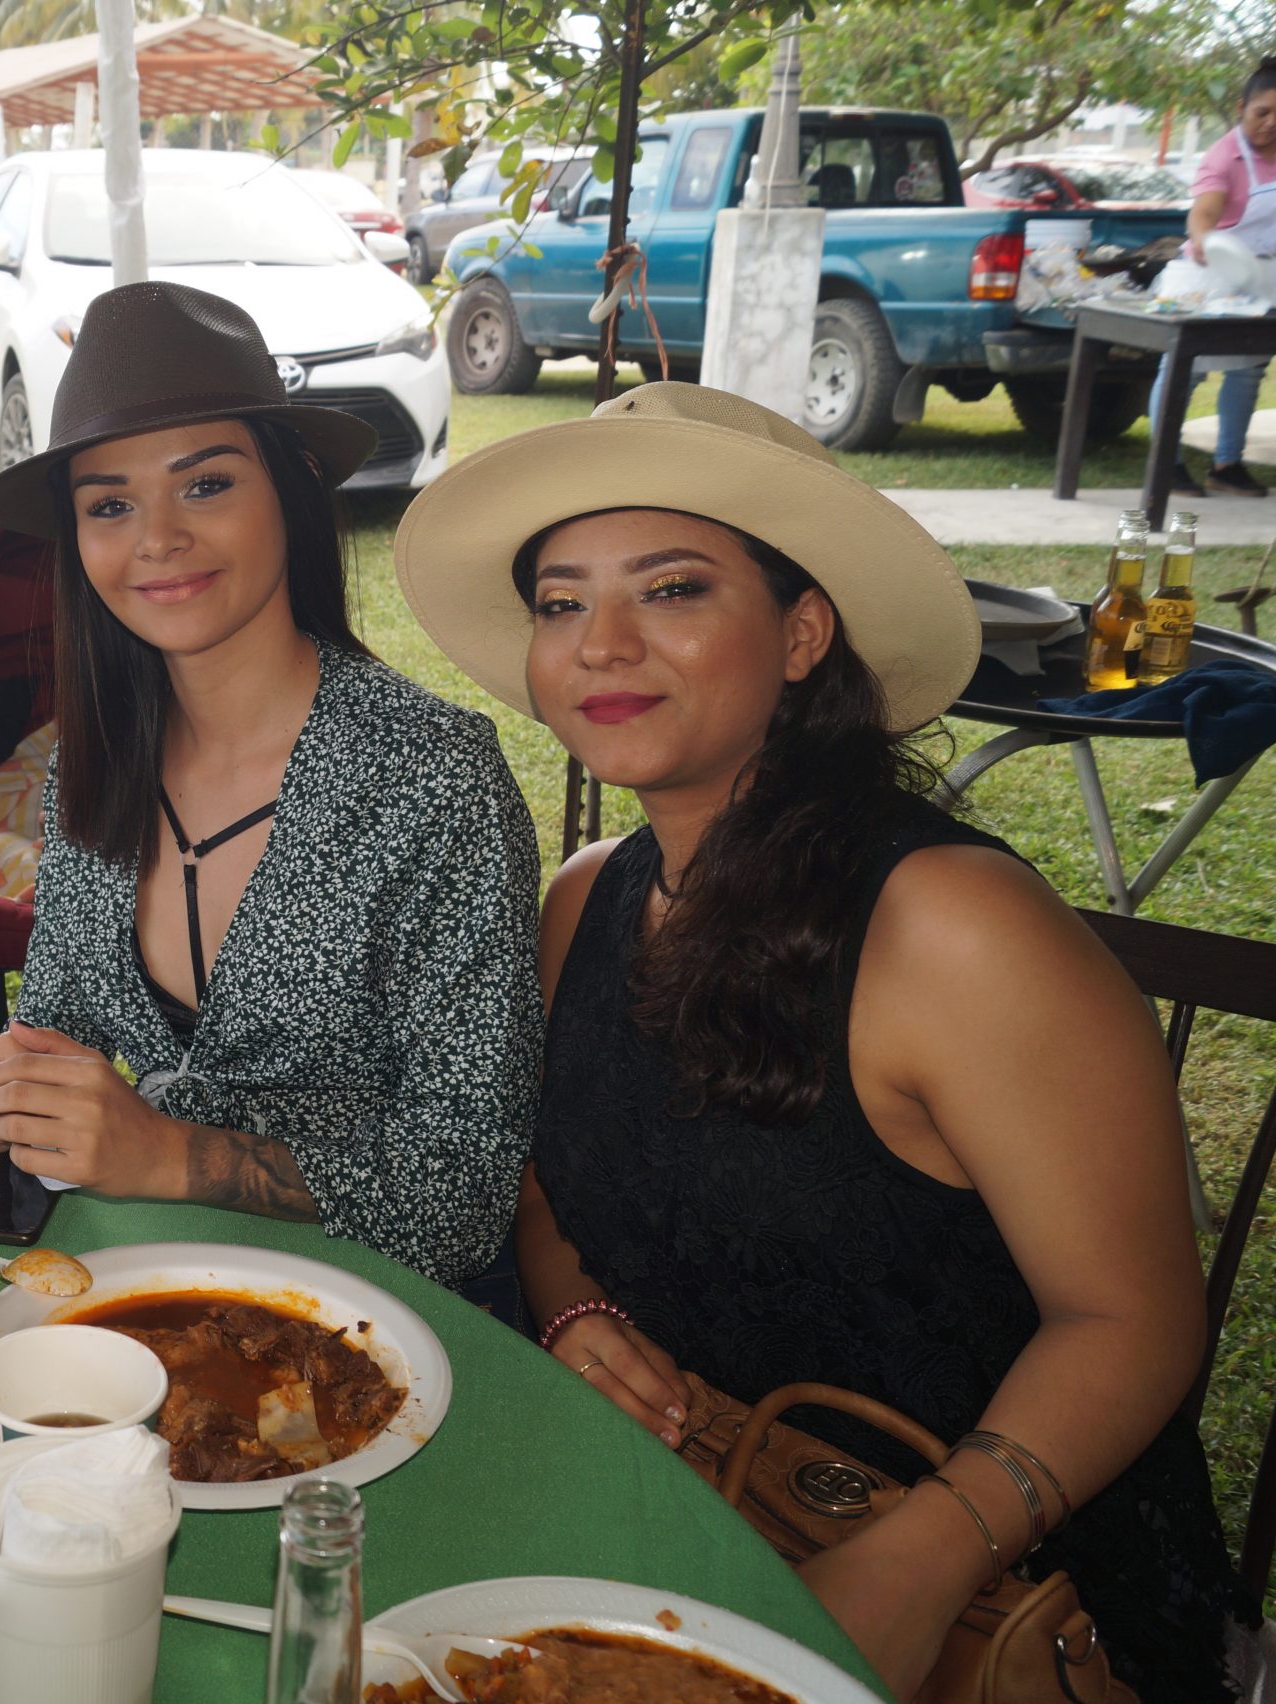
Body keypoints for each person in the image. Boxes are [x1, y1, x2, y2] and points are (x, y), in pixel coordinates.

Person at [397, 382, 1245, 1699]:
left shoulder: (950, 929)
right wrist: (573, 1308)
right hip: (694, 1532)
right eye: (562, 604)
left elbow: (1131, 1321)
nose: (600, 645)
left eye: (671, 590)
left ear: (801, 634)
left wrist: (923, 1558)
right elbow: (547, 1183)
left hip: (1009, 1604)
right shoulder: (585, 900)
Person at [0, 282, 544, 1294]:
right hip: (155, 1287)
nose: (156, 539)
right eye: (109, 504)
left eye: (206, 484)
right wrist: (13, 1081)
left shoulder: (434, 781)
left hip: (389, 1317)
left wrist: (174, 1155)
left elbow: (465, 1195)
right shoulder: (90, 761)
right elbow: (57, 1022)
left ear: (292, 488)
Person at [1150, 54, 1276, 498]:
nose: (1271, 124)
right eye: (1262, 112)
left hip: (1261, 277)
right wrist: (1204, 237)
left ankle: (1227, 465)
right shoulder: (1224, 156)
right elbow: (1203, 212)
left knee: (1247, 372)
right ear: (1242, 107)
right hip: (1206, 276)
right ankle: (1165, 464)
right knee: (1184, 371)